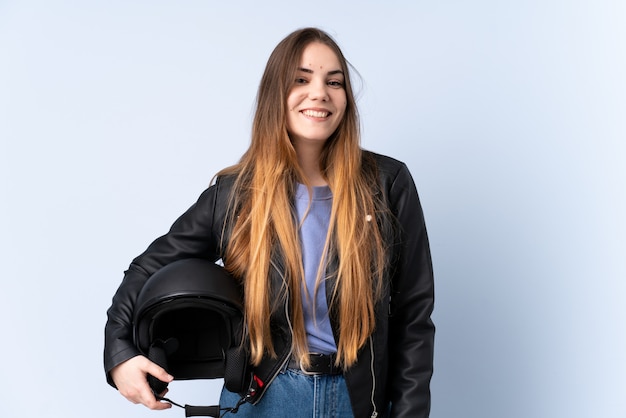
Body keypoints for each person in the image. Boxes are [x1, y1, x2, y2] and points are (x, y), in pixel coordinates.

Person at [104, 27, 435, 418]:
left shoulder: (387, 183)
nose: (319, 93)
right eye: (301, 79)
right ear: (275, 93)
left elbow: (414, 314)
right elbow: (146, 268)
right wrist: (120, 354)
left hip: (358, 399)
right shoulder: (235, 194)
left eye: (334, 82)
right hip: (261, 399)